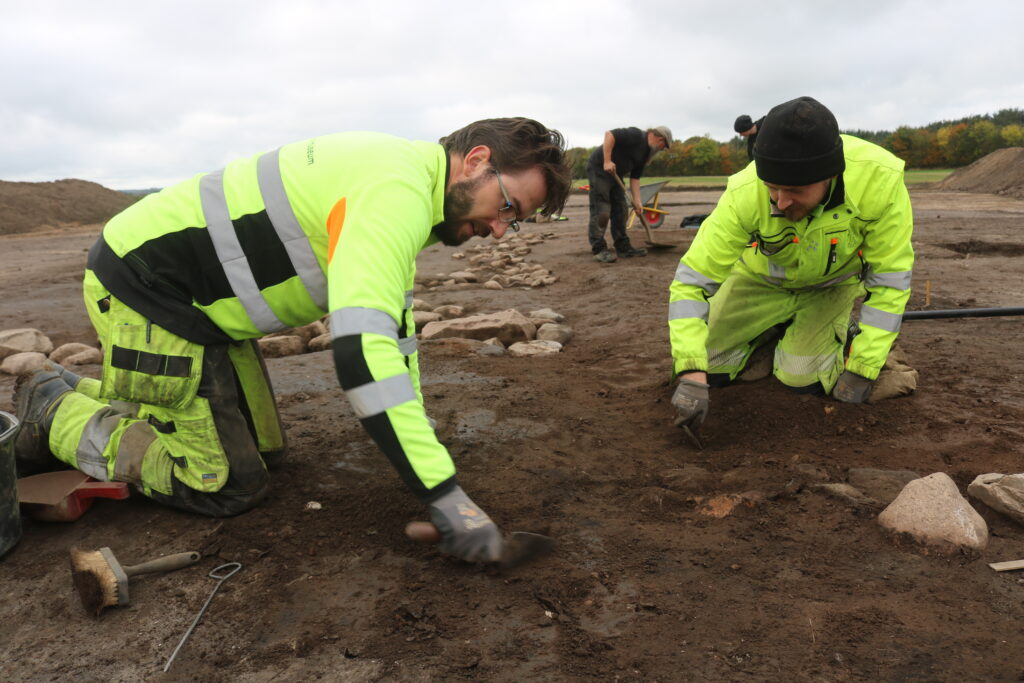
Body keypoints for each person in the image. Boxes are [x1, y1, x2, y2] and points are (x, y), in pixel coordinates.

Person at [12, 118, 572, 564]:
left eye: (515, 221)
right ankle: (54, 410)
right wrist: (444, 493)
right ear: (476, 161)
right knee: (224, 484)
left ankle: (83, 388)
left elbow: (395, 338)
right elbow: (361, 352)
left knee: (268, 455)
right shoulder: (394, 189)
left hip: (204, 314)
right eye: (508, 207)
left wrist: (418, 434)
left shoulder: (407, 190)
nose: (500, 228)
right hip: (146, 289)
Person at [669, 97, 914, 434]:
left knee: (802, 380)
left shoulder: (879, 184)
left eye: (794, 190)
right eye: (772, 188)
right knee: (711, 369)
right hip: (758, 283)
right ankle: (772, 334)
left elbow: (889, 282)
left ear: (830, 176)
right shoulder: (744, 192)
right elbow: (692, 282)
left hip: (828, 289)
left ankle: (840, 338)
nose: (781, 202)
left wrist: (863, 368)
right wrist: (690, 371)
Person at [586, 126, 672, 263]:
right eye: (664, 147)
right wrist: (607, 161)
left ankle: (623, 247)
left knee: (621, 209)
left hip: (615, 174)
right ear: (661, 139)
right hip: (599, 169)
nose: (662, 150)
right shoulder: (636, 135)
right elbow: (609, 135)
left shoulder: (645, 154)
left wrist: (638, 201)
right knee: (602, 210)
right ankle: (599, 249)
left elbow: (635, 178)